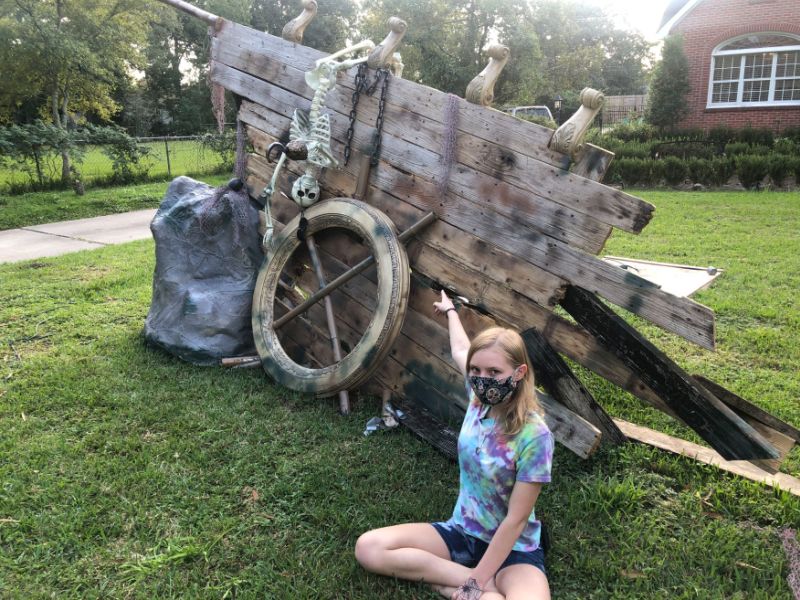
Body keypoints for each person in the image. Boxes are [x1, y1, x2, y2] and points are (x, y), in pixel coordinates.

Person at [355, 290, 554, 599]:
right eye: (476, 371)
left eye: (494, 373)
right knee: (369, 547)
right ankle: (473, 586)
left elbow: (515, 520)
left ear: (519, 373)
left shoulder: (535, 436)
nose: (482, 379)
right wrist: (450, 311)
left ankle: (457, 585)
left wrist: (474, 583)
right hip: (462, 532)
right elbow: (462, 348)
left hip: (514, 548)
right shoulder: (478, 401)